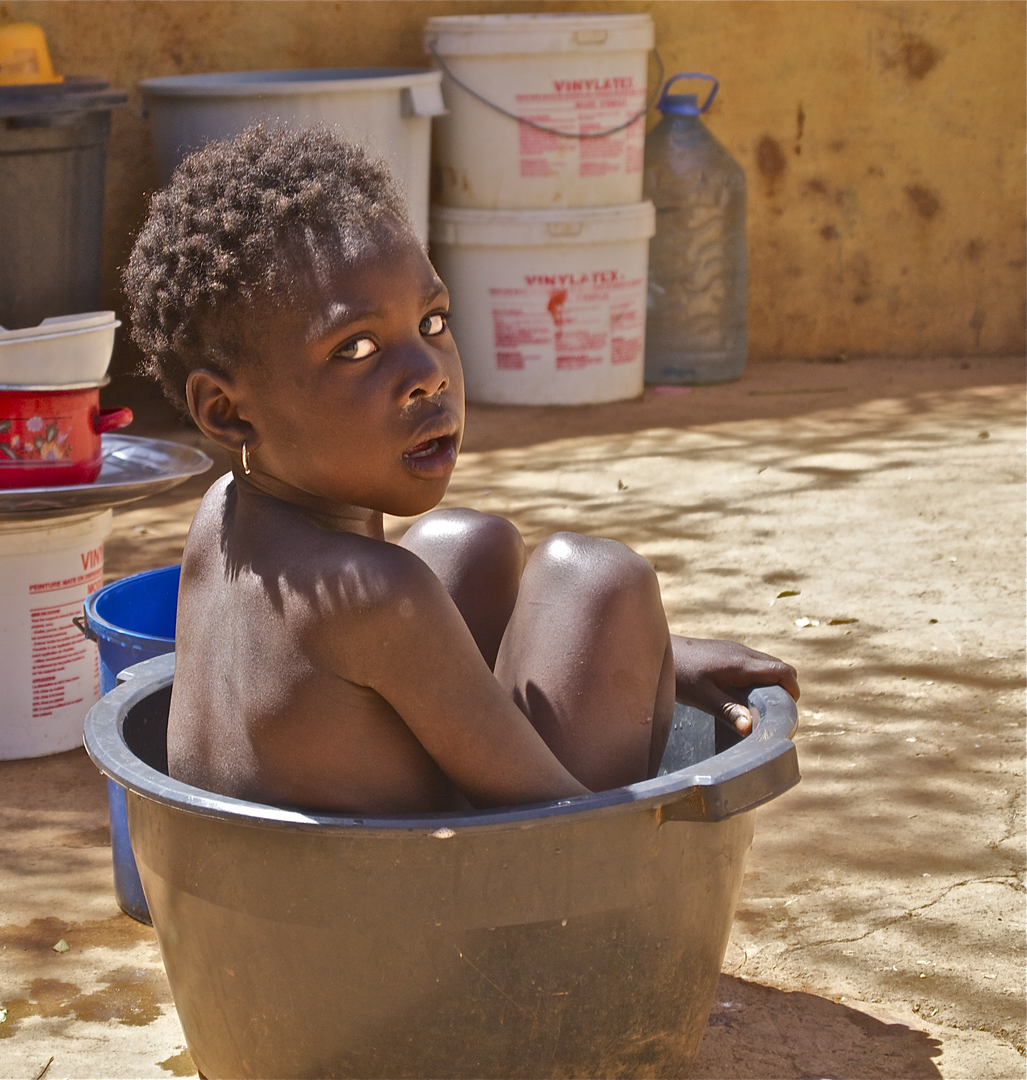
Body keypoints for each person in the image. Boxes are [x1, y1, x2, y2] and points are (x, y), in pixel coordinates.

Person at [123, 125, 798, 814]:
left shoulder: (223, 513)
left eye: (434, 322)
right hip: (406, 915)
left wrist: (661, 655)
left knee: (468, 542)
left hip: (228, 901)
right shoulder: (380, 600)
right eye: (355, 348)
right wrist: (632, 657)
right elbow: (564, 832)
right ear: (227, 411)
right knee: (600, 581)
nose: (426, 375)